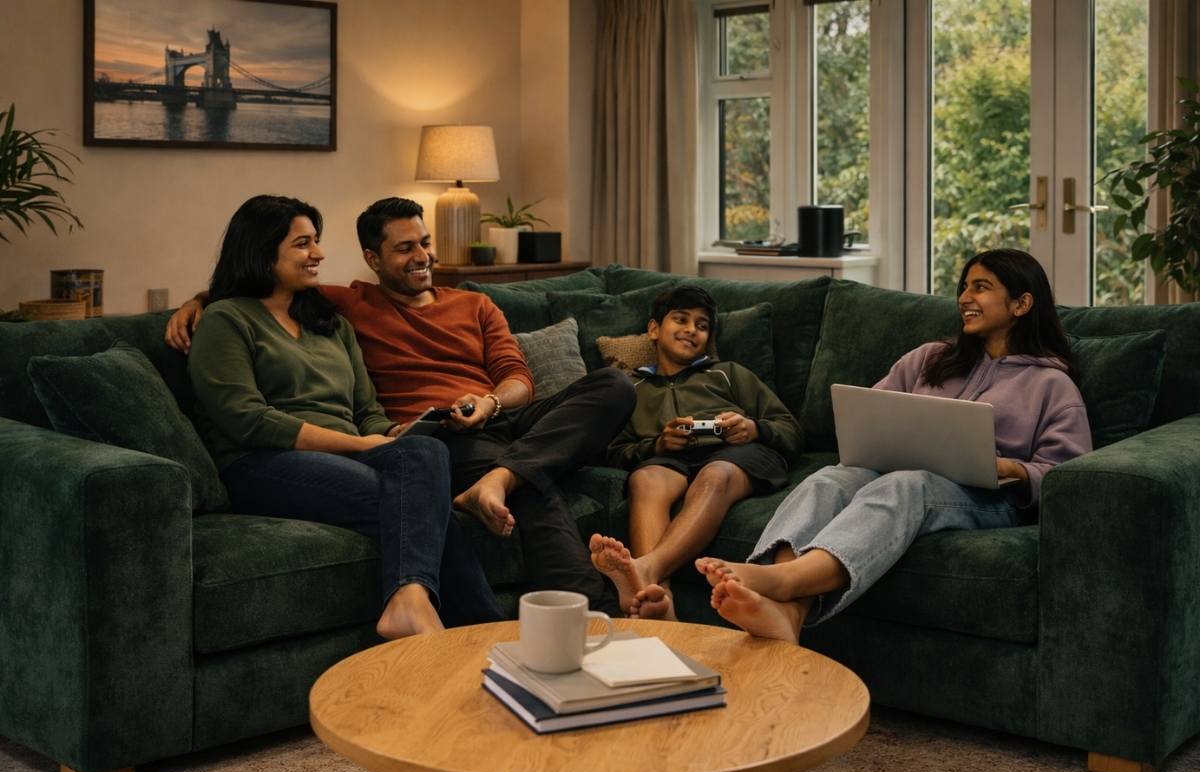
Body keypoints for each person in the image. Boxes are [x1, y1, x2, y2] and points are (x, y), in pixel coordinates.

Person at [168, 197, 635, 616]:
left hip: (490, 419)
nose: (423, 257)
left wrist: (470, 408)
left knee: (611, 386)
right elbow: (245, 407)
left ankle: (499, 481)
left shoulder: (340, 320)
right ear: (373, 259)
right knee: (460, 489)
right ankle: (550, 621)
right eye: (303, 243)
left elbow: (507, 381)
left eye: (425, 243)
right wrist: (198, 301)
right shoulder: (316, 308)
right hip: (373, 448)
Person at [694, 248, 1092, 644]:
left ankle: (780, 581)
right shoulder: (929, 358)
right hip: (892, 470)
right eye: (964, 287)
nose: (965, 298)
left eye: (981, 288)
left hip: (986, 497)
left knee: (907, 485)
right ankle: (788, 611)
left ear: (1022, 303)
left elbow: (1068, 472)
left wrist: (1011, 469)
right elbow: (871, 413)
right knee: (829, 479)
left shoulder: (1051, 385)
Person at [186, 195, 504, 640]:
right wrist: (365, 444)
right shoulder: (226, 319)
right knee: (424, 509)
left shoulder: (330, 323)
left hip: (345, 458)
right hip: (258, 463)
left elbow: (366, 412)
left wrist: (394, 434)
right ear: (262, 251)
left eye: (316, 241)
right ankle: (489, 639)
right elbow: (247, 420)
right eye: (302, 244)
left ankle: (415, 605)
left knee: (425, 451)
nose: (317, 254)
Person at [589, 285, 803, 620]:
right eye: (681, 319)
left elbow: (790, 428)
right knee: (644, 479)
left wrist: (753, 428)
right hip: (669, 458)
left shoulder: (728, 373)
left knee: (714, 474)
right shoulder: (632, 389)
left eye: (702, 326)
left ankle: (646, 571)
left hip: (738, 452)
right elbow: (616, 452)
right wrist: (657, 445)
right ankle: (662, 605)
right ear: (654, 329)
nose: (692, 329)